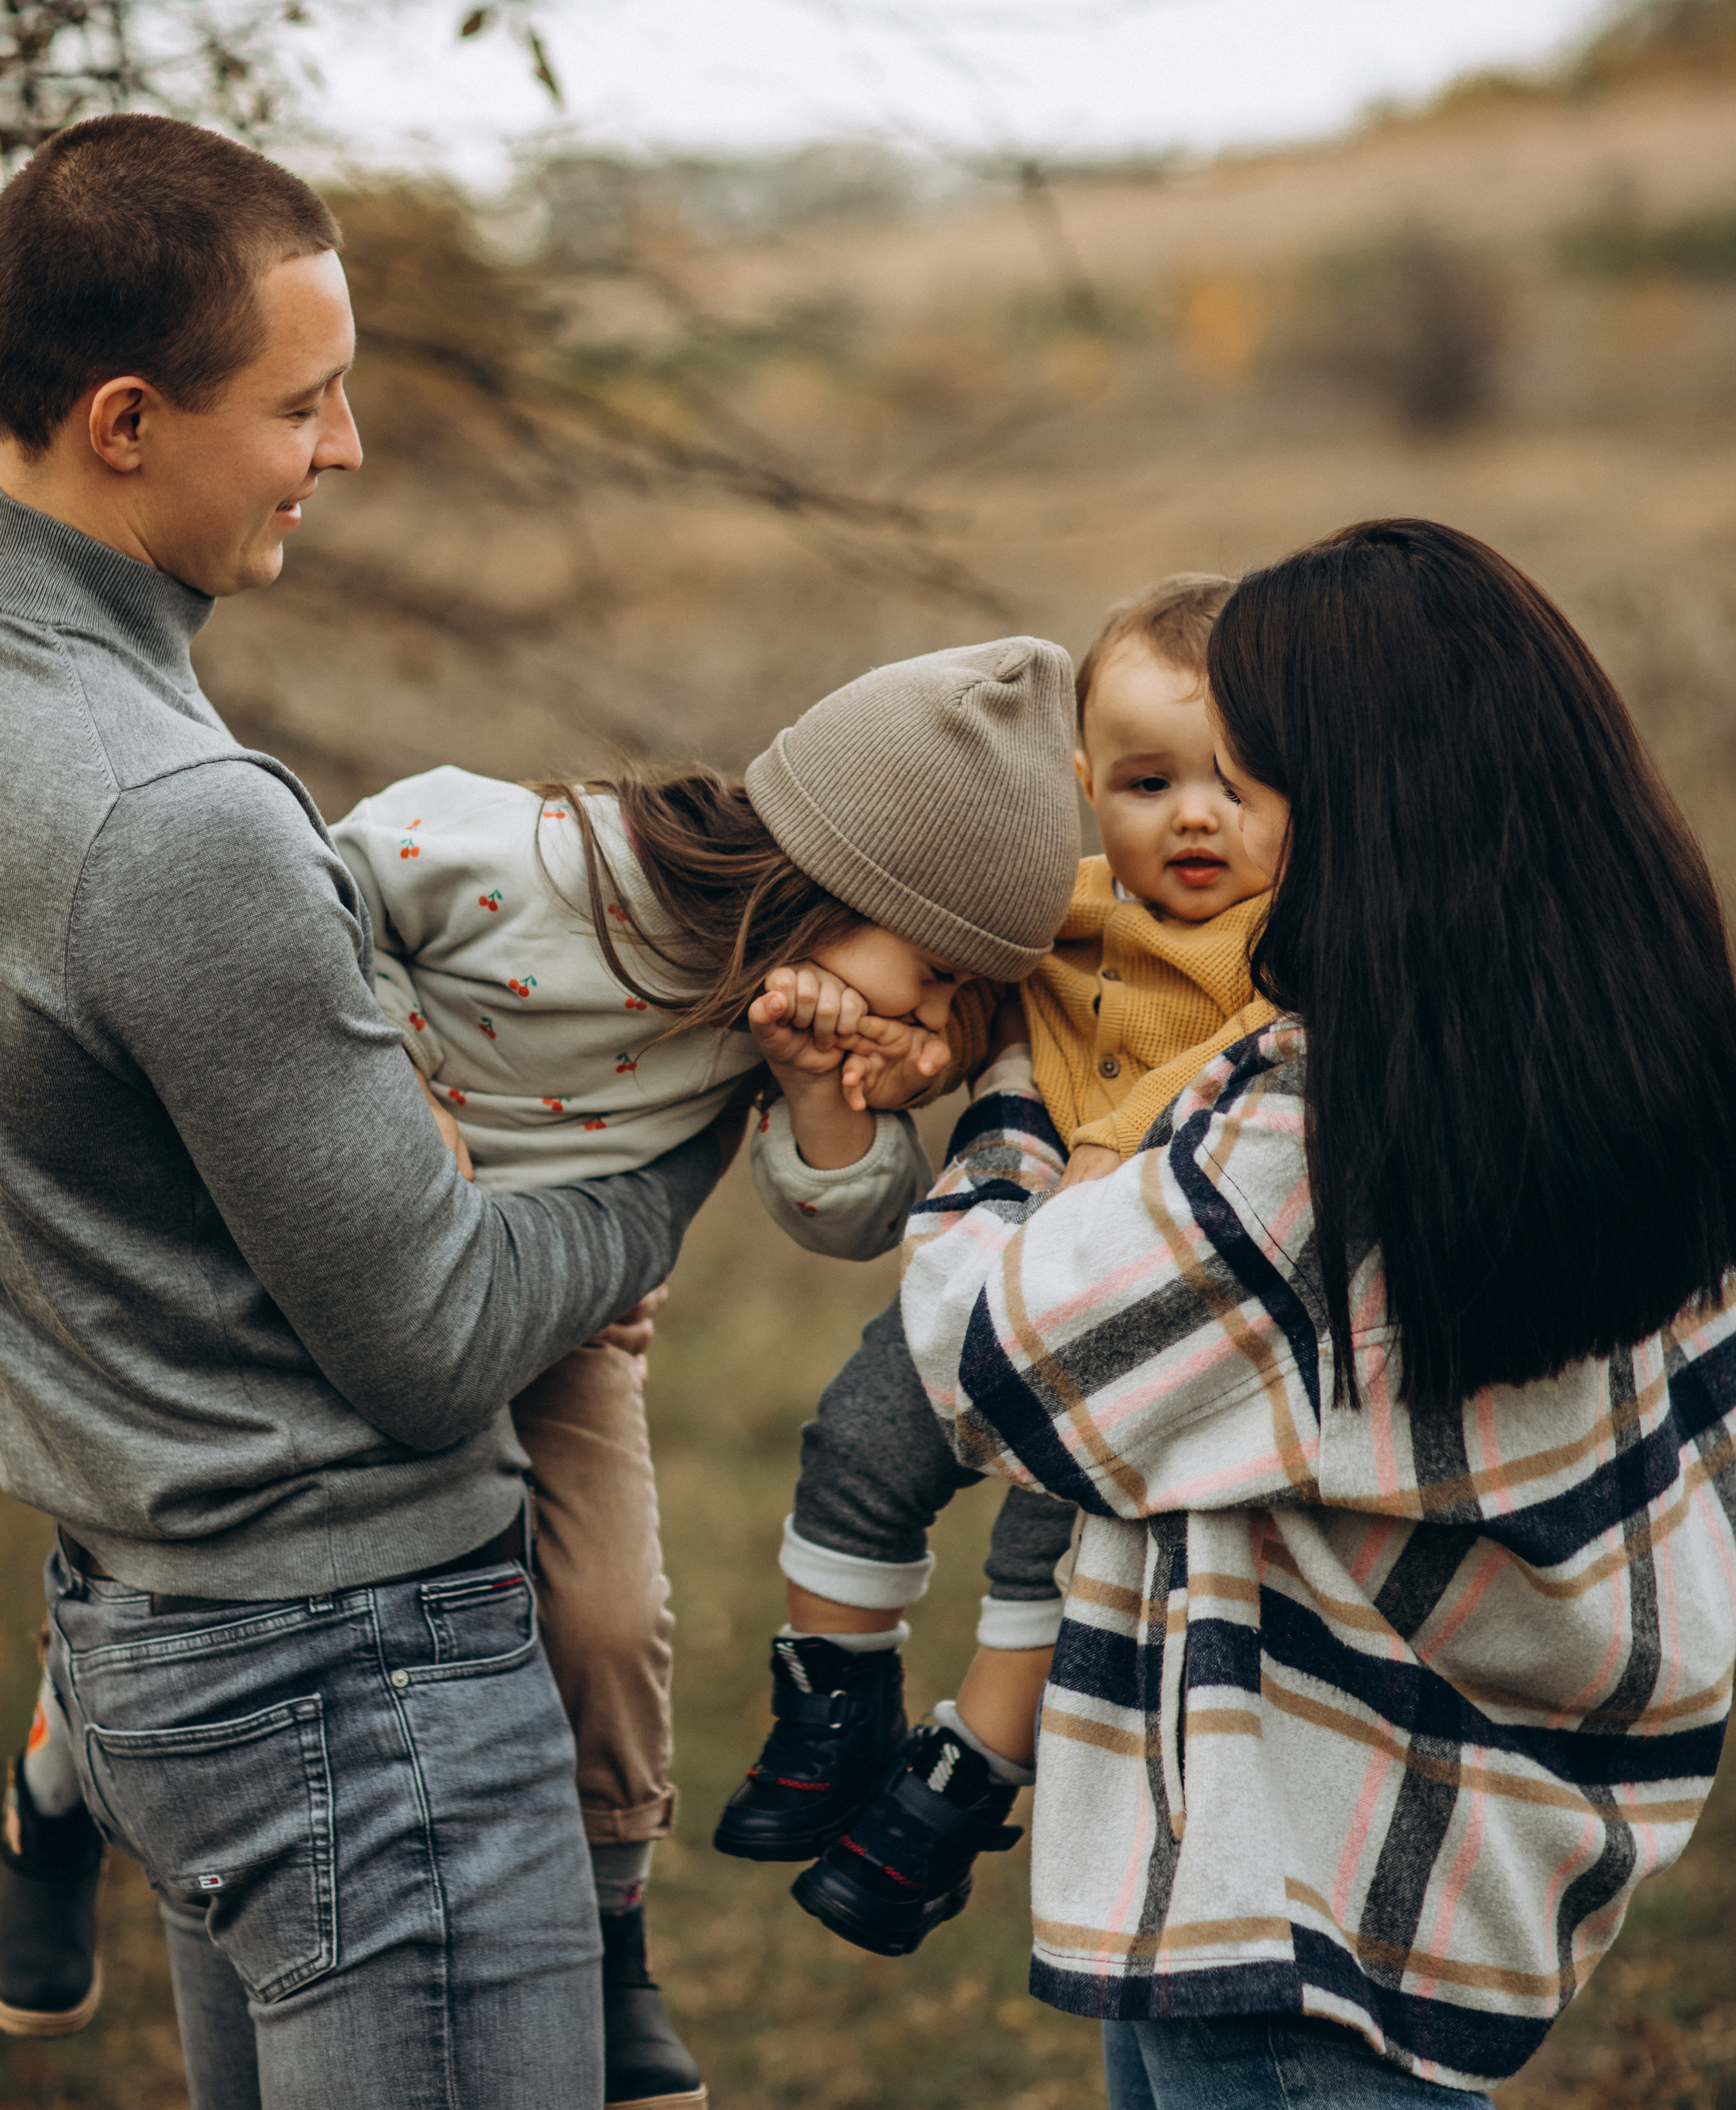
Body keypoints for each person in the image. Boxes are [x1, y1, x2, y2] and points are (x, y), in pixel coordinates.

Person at [0, 113, 731, 2109]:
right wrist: (685, 1123)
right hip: (350, 1674)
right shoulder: (167, 818)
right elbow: (426, 1345)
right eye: (304, 405)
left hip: (160, 1633)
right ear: (127, 421)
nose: (348, 452)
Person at [902, 517, 1736, 2107]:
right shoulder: (1626, 1050)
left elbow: (984, 1354)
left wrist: (1011, 1100)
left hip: (1290, 1887)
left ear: (1368, 797)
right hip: (1481, 1839)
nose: (1230, 818)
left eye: (1261, 770)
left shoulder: (1322, 1145)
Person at [323, 633, 1082, 2104]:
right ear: (843, 877)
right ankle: (59, 1772)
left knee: (609, 1619)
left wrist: (813, 1090)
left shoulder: (777, 1019)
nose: (924, 1030)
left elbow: (849, 1222)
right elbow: (318, 893)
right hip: (351, 1261)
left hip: (564, 1321)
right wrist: (396, 1084)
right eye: (931, 979)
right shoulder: (533, 861)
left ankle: (611, 1940)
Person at [715, 576, 1278, 1959]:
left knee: (1054, 1543)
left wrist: (1119, 1141)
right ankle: (829, 1701)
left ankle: (962, 1782)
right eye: (1147, 784)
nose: (1191, 817)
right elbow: (970, 1011)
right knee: (854, 1440)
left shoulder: (1291, 945)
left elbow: (1267, 1066)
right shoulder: (1061, 919)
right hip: (992, 1273)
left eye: (1238, 784)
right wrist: (908, 1056)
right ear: (1087, 788)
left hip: (1136, 1320)